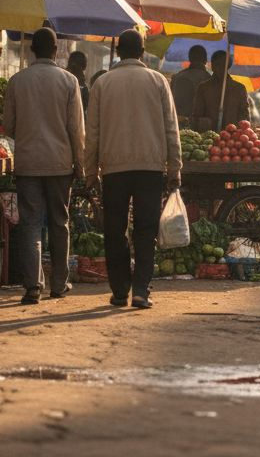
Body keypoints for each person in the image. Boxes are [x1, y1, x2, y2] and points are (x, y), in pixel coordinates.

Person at [85, 30, 181, 310]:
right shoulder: (158, 81)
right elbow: (171, 130)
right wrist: (175, 167)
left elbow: (93, 133)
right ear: (142, 52)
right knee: (145, 231)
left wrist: (90, 170)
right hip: (150, 168)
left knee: (114, 231)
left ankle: (119, 291)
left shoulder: (103, 83)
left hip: (113, 168)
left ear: (118, 53)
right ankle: (140, 291)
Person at [3, 29, 86, 305]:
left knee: (30, 225)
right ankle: (59, 284)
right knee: (60, 223)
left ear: (32, 51)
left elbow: (8, 127)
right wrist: (81, 166)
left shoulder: (17, 81)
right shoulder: (69, 81)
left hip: (27, 164)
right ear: (55, 50)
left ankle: (32, 287)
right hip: (60, 164)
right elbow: (76, 130)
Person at [191, 50, 249, 131]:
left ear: (228, 66)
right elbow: (196, 116)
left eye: (221, 65)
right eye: (217, 64)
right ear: (212, 65)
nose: (218, 68)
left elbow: (244, 118)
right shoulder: (203, 87)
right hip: (208, 137)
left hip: (233, 138)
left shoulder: (239, 88)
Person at [170, 44, 212, 124]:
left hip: (175, 122)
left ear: (189, 59)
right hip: (199, 125)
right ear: (205, 60)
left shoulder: (176, 77)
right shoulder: (209, 79)